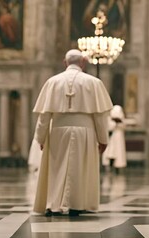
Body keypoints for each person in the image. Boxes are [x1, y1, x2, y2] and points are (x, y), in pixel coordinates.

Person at [33, 49, 113, 216]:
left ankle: (54, 204)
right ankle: (78, 204)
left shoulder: (52, 82)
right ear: (83, 62)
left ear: (65, 62)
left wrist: (41, 138)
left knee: (56, 168)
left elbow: (44, 115)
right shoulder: (94, 83)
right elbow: (100, 116)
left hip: (57, 131)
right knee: (81, 168)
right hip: (85, 132)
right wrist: (103, 139)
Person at [102, 105, 127, 174]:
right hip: (112, 136)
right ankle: (109, 166)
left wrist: (119, 123)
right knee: (110, 152)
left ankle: (117, 168)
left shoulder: (121, 117)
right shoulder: (109, 117)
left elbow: (123, 125)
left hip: (119, 136)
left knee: (118, 152)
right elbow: (109, 126)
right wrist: (115, 123)